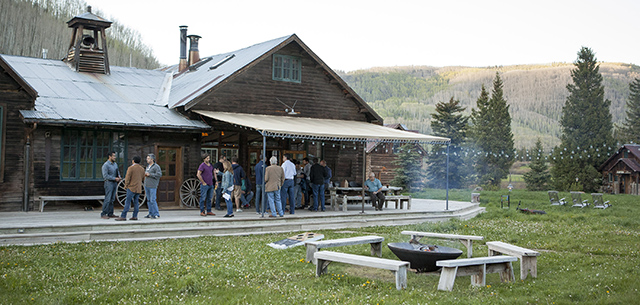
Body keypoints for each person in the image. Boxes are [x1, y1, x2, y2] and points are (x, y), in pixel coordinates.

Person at [116, 156, 145, 221]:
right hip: (138, 188)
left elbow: (127, 178)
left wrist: (126, 186)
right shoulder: (142, 169)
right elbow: (143, 178)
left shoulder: (130, 168)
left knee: (127, 202)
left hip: (131, 187)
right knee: (136, 202)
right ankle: (135, 216)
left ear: (133, 161)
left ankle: (123, 216)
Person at [101, 151, 121, 219]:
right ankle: (103, 213)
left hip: (115, 183)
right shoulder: (105, 165)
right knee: (108, 198)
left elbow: (117, 171)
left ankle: (110, 213)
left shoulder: (115, 164)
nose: (115, 157)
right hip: (108, 183)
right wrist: (114, 178)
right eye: (113, 156)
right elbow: (105, 176)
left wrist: (119, 177)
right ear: (110, 156)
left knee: (112, 199)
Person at [143, 153, 162, 219]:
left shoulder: (156, 166)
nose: (147, 160)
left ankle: (156, 214)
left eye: (148, 158)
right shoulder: (148, 166)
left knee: (152, 200)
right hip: (147, 185)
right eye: (147, 158)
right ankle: (150, 213)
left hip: (153, 185)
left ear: (152, 159)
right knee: (148, 200)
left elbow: (159, 175)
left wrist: (150, 174)